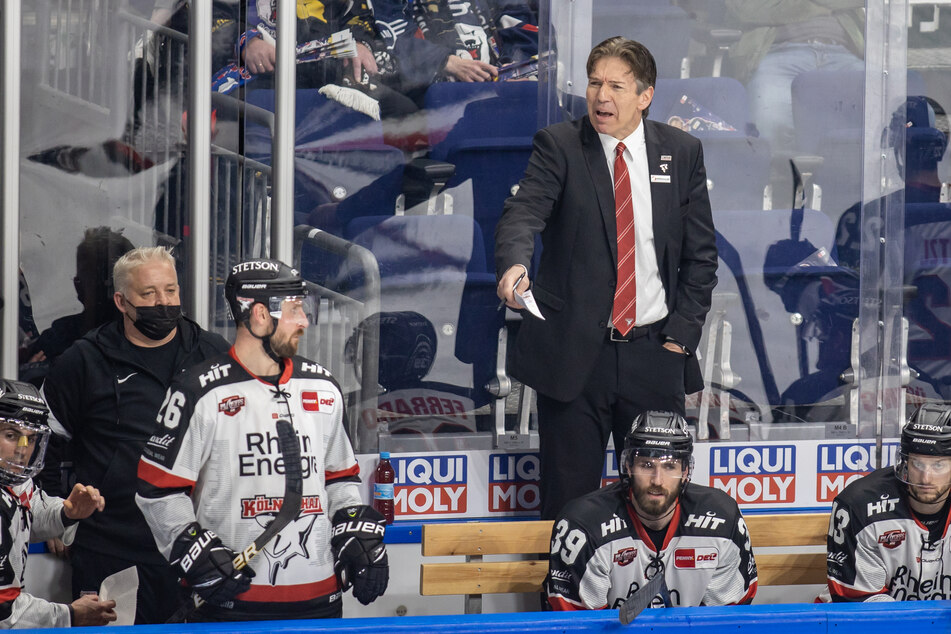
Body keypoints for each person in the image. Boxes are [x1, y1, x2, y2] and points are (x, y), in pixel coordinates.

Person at [494, 36, 718, 519]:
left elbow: (702, 259)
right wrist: (515, 262)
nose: (601, 96)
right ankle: (566, 596)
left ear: (645, 95)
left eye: (616, 86)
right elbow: (523, 211)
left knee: (657, 505)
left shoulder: (681, 153)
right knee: (569, 508)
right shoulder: (559, 146)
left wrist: (680, 339)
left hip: (656, 355)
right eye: (595, 83)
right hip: (575, 357)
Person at [136, 259, 388, 621]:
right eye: (294, 309)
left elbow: (339, 478)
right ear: (258, 315)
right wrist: (190, 547)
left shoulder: (323, 387)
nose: (304, 321)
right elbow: (157, 490)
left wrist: (349, 520)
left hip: (319, 600)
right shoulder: (198, 391)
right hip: (231, 603)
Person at [39, 246, 230, 624]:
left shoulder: (213, 354)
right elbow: (44, 439)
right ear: (121, 301)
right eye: (149, 294)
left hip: (196, 545)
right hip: (111, 546)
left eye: (171, 291)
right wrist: (54, 512)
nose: (164, 303)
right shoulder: (84, 359)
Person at [546, 410, 757, 610]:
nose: (657, 480)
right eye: (646, 465)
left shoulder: (723, 520)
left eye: (669, 466)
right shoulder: (583, 525)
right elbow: (580, 626)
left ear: (685, 472)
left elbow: (724, 622)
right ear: (628, 467)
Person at [0, 378, 117, 628]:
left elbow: (32, 509)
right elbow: (4, 612)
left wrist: (67, 512)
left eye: (31, 439)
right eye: (11, 435)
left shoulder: (14, 480)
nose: (22, 449)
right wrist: (70, 615)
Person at [827, 402, 951, 601]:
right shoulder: (859, 504)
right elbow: (858, 600)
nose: (926, 478)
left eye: (939, 465)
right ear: (905, 462)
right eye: (917, 463)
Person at [725, 0, 865, 152]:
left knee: (881, 103)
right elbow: (745, 8)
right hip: (778, 52)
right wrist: (822, 6)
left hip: (843, 53)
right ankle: (781, 174)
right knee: (770, 118)